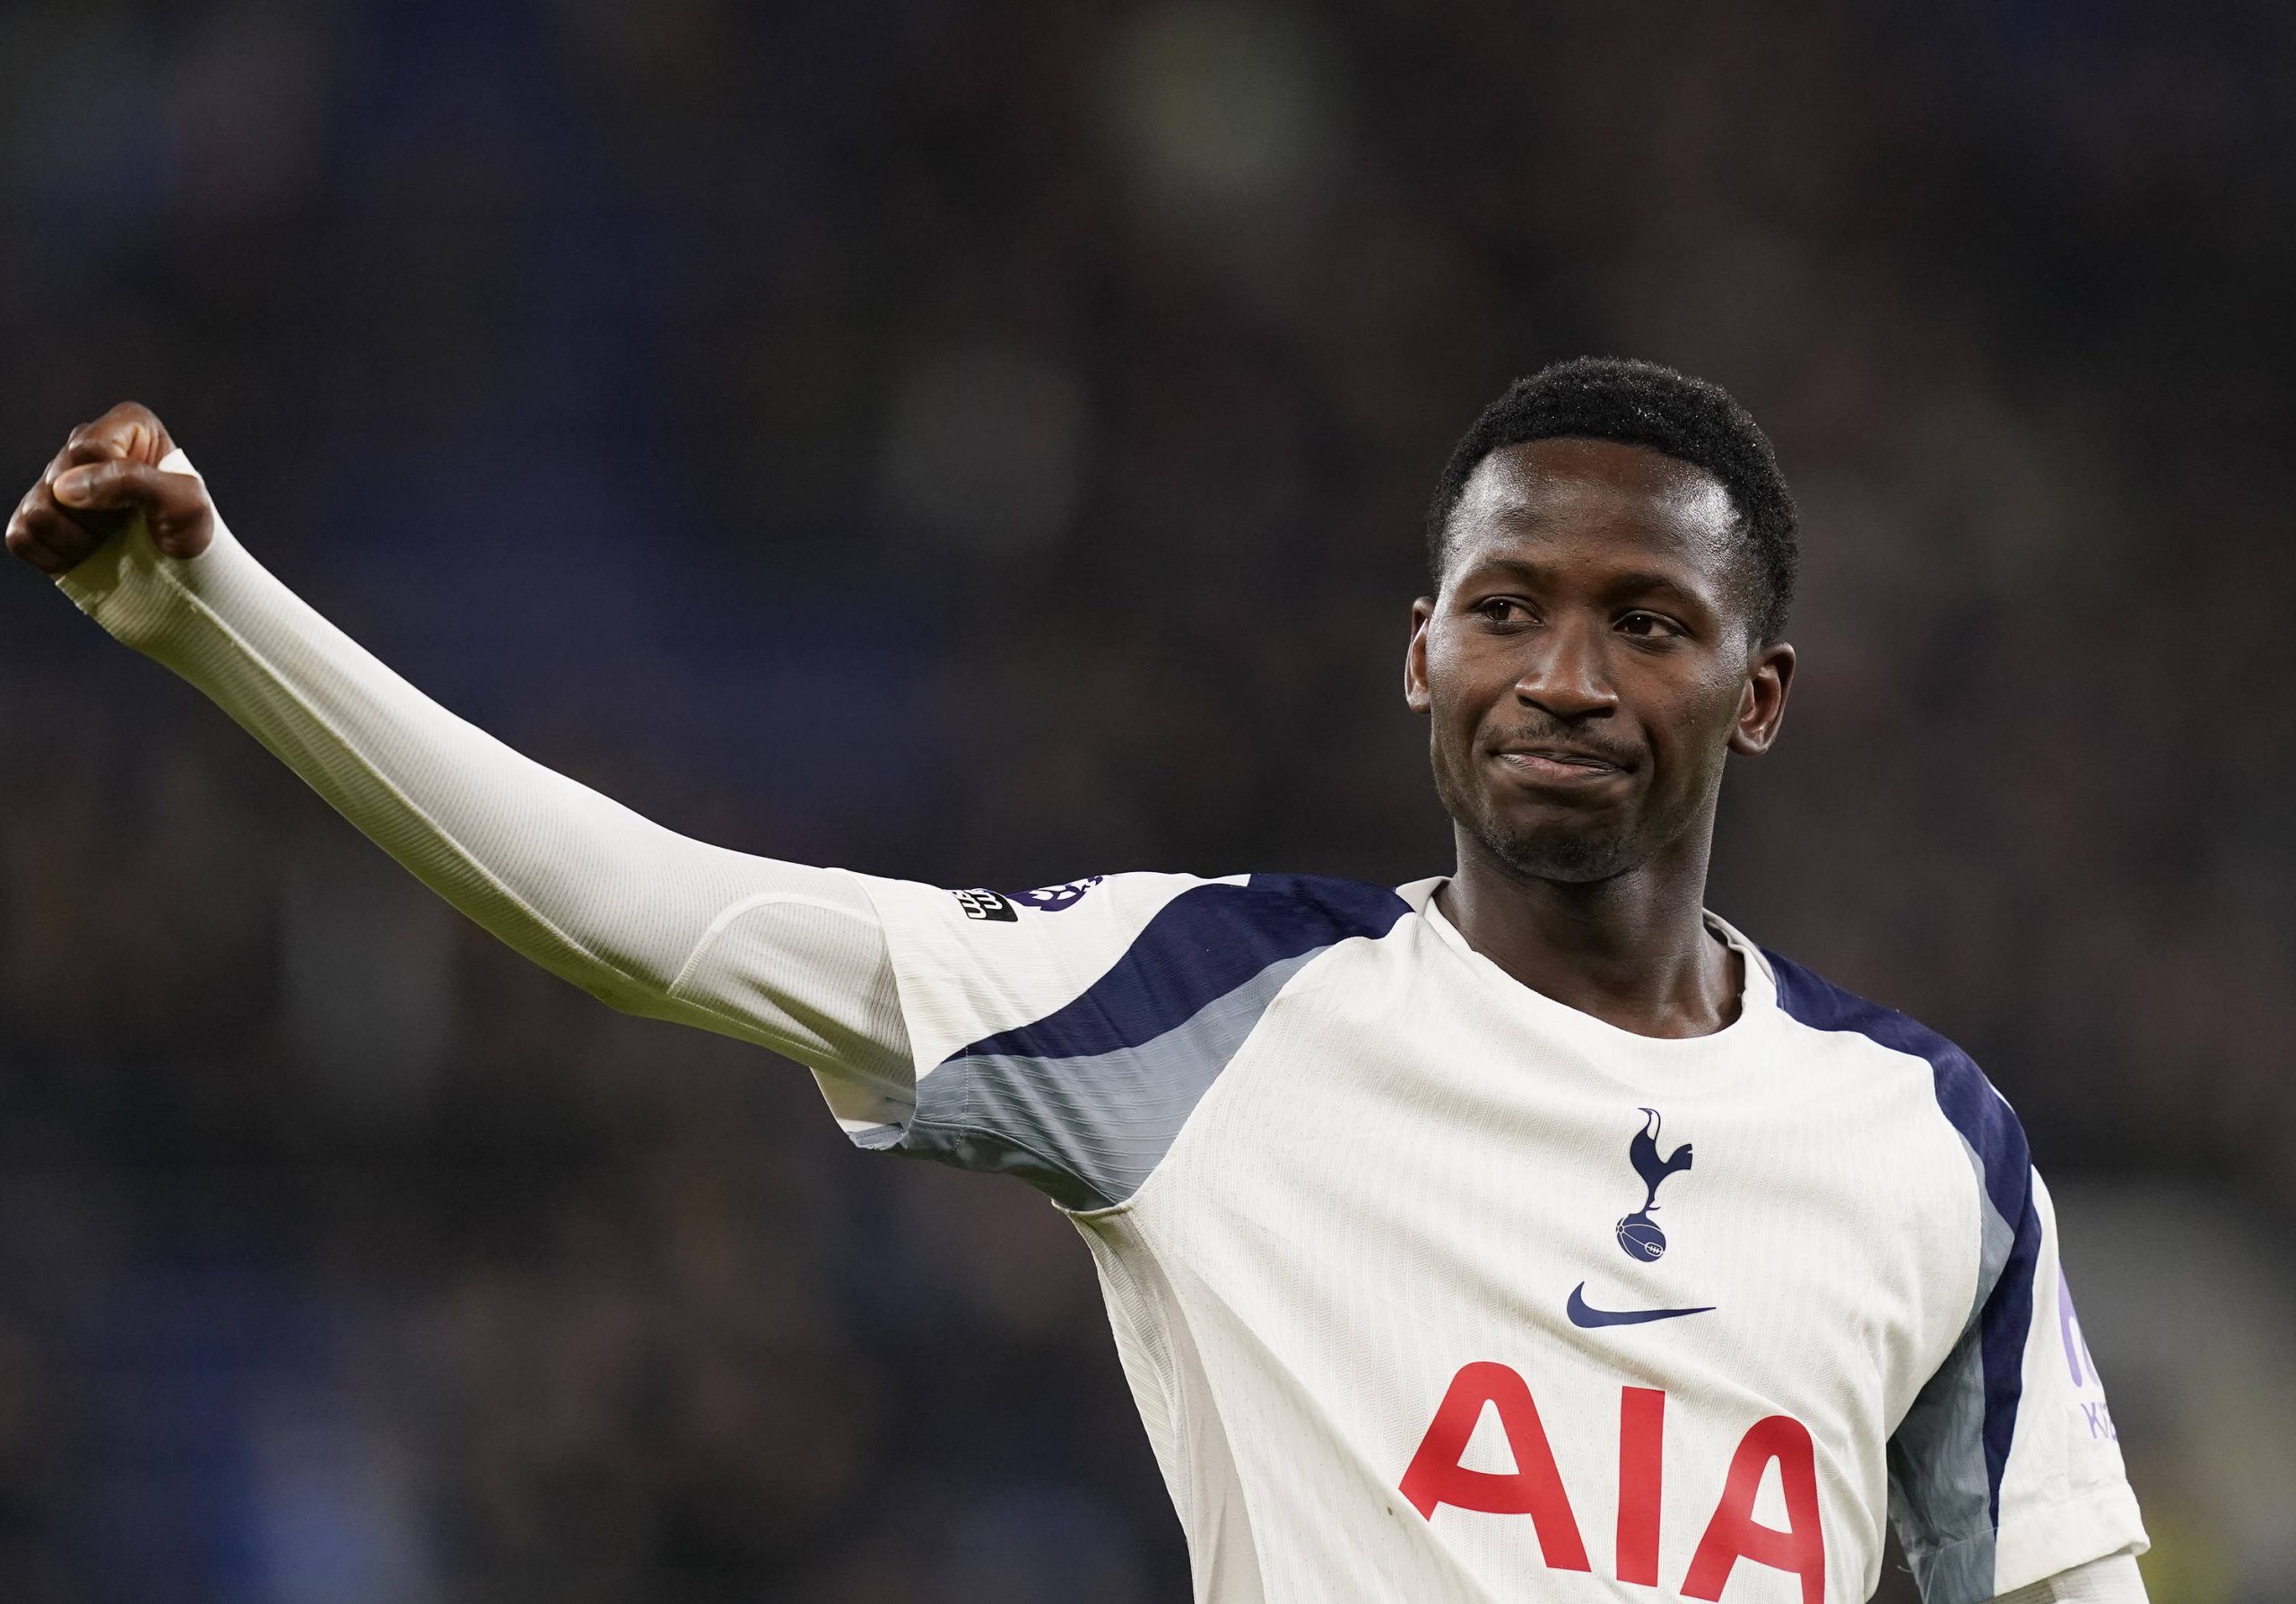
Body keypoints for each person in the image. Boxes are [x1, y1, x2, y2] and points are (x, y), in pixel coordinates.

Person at [6, 359, 2146, 1603]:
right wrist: (211, 610)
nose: (1562, 677)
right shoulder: (1212, 1000)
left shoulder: (1924, 1141)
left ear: (1757, 693)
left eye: (1645, 625)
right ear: (1418, 653)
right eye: (1505, 608)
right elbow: (649, 919)